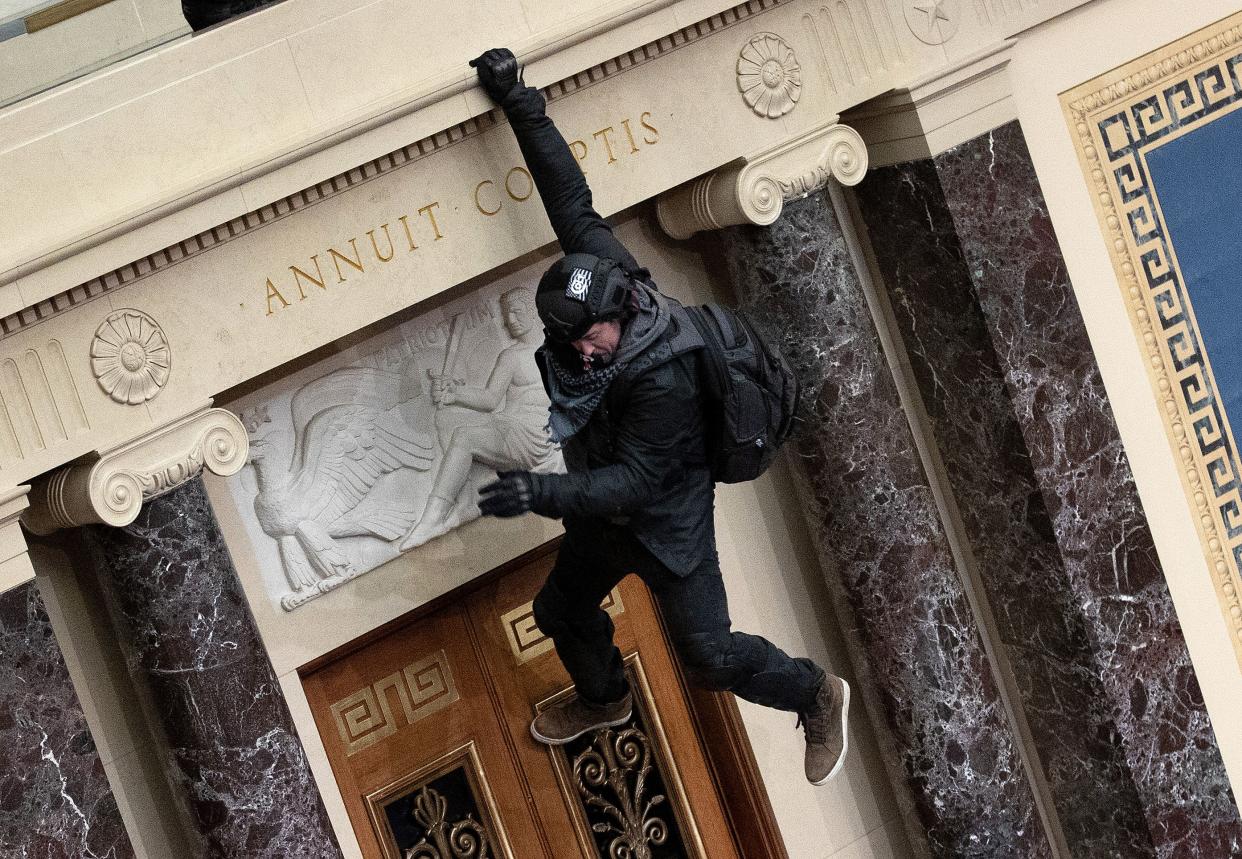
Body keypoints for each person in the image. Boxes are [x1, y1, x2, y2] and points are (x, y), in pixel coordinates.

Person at [469, 48, 849, 785]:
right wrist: (519, 101)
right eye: (567, 340)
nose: (579, 353)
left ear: (620, 313)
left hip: (665, 522)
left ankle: (815, 691)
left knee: (708, 657)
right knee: (559, 609)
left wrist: (539, 492)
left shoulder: (662, 375)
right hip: (604, 520)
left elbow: (632, 483)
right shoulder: (604, 273)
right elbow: (569, 200)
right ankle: (605, 696)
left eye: (589, 338)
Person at [400, 287, 561, 550]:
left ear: (534, 310)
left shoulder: (558, 349)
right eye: (507, 315)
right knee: (445, 417)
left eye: (517, 311)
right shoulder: (510, 356)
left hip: (536, 435)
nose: (511, 319)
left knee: (465, 436)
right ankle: (464, 498)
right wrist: (454, 393)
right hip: (509, 425)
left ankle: (432, 519)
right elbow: (490, 399)